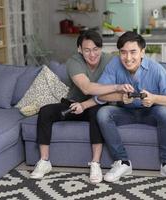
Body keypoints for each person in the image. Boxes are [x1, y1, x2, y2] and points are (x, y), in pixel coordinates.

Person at [30, 30, 133, 184]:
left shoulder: (111, 61)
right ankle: (44, 162)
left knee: (98, 112)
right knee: (46, 111)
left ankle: (95, 164)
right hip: (73, 104)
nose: (92, 54)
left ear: (101, 48)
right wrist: (116, 87)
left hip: (96, 104)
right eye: (87, 50)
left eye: (96, 49)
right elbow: (86, 88)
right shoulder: (74, 62)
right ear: (79, 49)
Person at [95, 31, 166, 183]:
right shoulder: (114, 64)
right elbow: (99, 94)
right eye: (123, 52)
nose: (128, 58)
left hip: (150, 112)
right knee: (103, 113)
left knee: (164, 112)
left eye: (133, 52)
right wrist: (120, 97)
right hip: (125, 112)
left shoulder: (155, 68)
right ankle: (122, 162)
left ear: (143, 52)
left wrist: (154, 98)